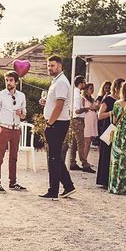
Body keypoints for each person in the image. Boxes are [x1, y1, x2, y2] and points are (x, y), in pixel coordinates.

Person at [38, 55, 75, 200]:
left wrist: (49, 123)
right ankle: (68, 186)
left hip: (57, 123)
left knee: (53, 158)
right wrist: (46, 102)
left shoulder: (61, 82)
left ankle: (53, 190)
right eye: (48, 65)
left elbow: (59, 106)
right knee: (55, 157)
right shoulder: (57, 81)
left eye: (52, 65)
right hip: (57, 122)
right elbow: (56, 102)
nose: (49, 68)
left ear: (59, 66)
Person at [0, 70, 27, 193]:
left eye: (11, 80)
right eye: (7, 80)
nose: (8, 82)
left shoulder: (21, 96)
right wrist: (0, 129)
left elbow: (24, 115)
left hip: (16, 129)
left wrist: (20, 114)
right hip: (4, 128)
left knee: (14, 157)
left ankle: (13, 182)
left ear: (16, 82)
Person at [96, 77, 123, 189]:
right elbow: (100, 115)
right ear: (116, 87)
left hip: (119, 129)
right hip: (109, 128)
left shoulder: (122, 100)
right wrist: (111, 112)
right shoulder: (108, 99)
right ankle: (104, 179)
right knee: (107, 153)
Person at [67, 75, 94, 173]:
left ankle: (72, 162)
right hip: (78, 120)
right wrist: (87, 108)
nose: (85, 84)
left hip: (75, 120)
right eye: (84, 82)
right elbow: (77, 111)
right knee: (81, 142)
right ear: (80, 83)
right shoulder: (77, 95)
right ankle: (84, 164)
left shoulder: (74, 93)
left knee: (74, 142)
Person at [82, 82, 99, 165]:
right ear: (86, 89)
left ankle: (85, 158)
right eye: (90, 88)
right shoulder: (83, 98)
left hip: (92, 120)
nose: (92, 90)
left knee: (89, 141)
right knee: (87, 141)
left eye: (93, 88)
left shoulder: (92, 99)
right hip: (87, 120)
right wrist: (90, 108)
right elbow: (81, 109)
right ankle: (84, 160)